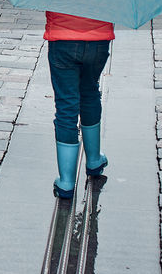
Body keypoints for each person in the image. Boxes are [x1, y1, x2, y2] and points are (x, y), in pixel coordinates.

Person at [46, 10, 113, 199]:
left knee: (66, 106)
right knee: (90, 93)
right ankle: (93, 161)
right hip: (98, 41)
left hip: (62, 40)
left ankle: (66, 182)